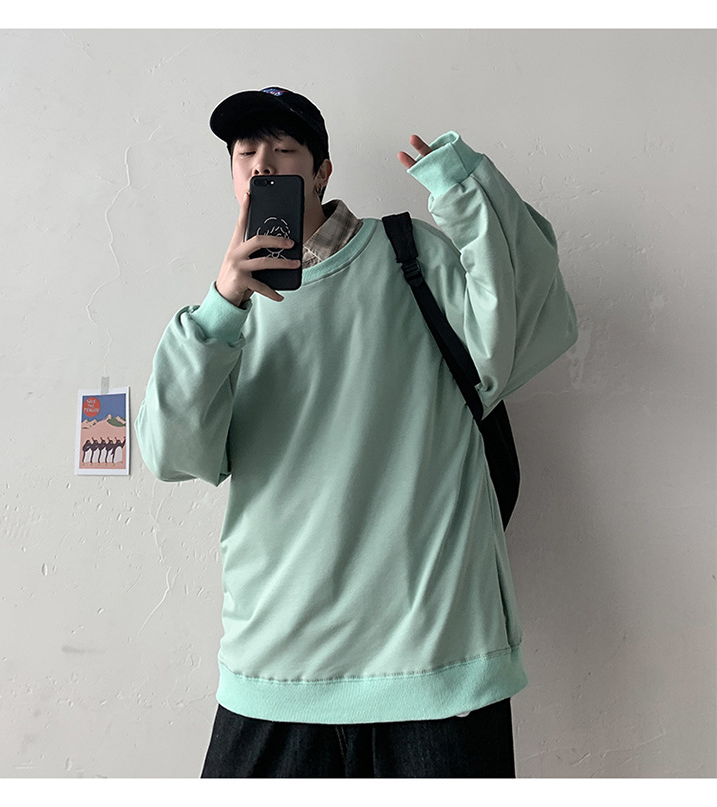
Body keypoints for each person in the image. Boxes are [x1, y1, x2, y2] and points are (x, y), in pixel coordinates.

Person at [135, 87, 578, 778]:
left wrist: (463, 188)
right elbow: (172, 453)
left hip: (434, 655)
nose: (262, 165)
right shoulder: (224, 316)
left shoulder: (409, 256)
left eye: (283, 150)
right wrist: (223, 306)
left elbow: (525, 315)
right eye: (245, 153)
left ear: (321, 172)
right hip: (277, 660)